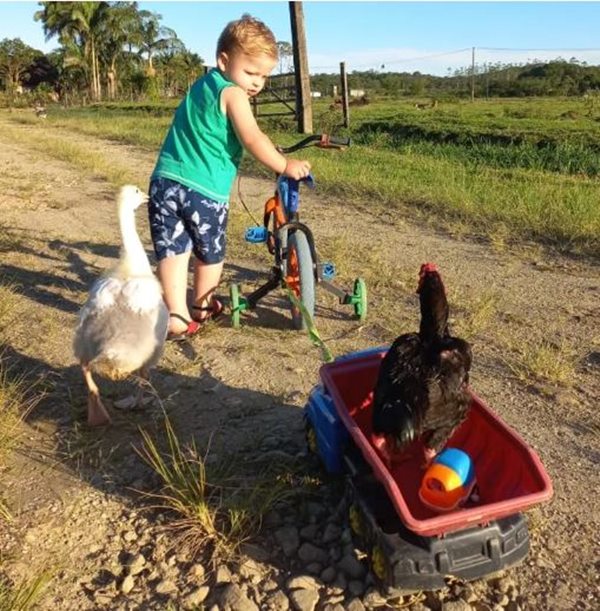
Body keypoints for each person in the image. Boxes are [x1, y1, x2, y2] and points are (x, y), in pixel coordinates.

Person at [148, 14, 311, 340]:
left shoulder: (200, 86)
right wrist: (284, 164)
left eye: (263, 76)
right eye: (250, 72)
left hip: (164, 182)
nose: (256, 83)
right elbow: (252, 138)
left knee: (173, 251)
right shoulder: (233, 94)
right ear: (223, 61)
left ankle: (177, 318)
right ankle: (203, 308)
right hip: (204, 191)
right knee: (209, 253)